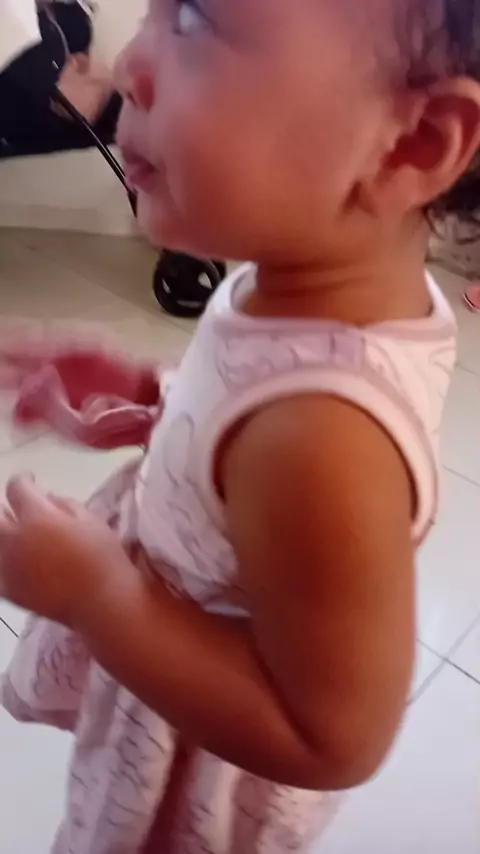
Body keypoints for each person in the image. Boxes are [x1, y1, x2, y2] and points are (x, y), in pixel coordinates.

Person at [0, 0, 477, 850]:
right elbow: (258, 412)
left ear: (411, 144)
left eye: (194, 21)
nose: (129, 64)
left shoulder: (330, 438)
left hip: (190, 804)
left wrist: (97, 593)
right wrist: (158, 399)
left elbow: (329, 737)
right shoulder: (300, 286)